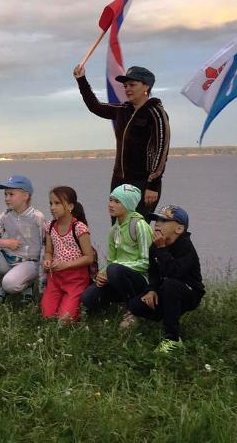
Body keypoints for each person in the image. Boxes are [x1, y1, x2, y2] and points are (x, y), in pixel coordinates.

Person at [73, 64, 170, 220]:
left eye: (132, 85)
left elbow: (161, 150)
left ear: (146, 86)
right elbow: (95, 106)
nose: (127, 89)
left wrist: (153, 185)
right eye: (125, 86)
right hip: (119, 180)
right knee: (117, 226)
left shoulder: (156, 113)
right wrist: (81, 79)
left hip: (142, 182)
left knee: (136, 227)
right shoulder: (123, 109)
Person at [127, 205, 205, 353]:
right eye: (156, 220)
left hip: (189, 292)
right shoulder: (155, 245)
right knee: (135, 305)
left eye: (164, 221)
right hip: (167, 289)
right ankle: (167, 315)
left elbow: (173, 272)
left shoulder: (185, 247)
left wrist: (162, 249)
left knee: (171, 284)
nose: (157, 224)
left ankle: (173, 339)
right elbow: (154, 272)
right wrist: (152, 290)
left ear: (179, 229)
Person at [81, 184, 153, 327]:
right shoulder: (114, 229)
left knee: (114, 269)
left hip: (141, 280)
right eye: (110, 200)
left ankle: (135, 310)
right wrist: (102, 274)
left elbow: (147, 262)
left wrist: (113, 269)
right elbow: (111, 260)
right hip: (117, 275)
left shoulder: (140, 225)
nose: (111, 205)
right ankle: (116, 307)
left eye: (117, 201)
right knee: (87, 298)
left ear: (128, 204)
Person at [0, 175, 46, 305]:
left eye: (11, 194)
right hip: (8, 261)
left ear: (25, 196)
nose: (7, 198)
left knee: (9, 284)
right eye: (5, 194)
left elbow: (45, 246)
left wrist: (42, 283)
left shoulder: (37, 217)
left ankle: (26, 284)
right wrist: (3, 243)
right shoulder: (5, 215)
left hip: (30, 264)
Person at [40, 186, 94, 323]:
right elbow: (49, 251)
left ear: (70, 206)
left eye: (57, 203)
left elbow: (89, 257)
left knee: (64, 320)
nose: (52, 207)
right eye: (51, 203)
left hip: (76, 279)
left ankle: (75, 303)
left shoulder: (79, 228)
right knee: (47, 316)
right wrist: (47, 260)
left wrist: (65, 265)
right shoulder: (50, 226)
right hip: (55, 277)